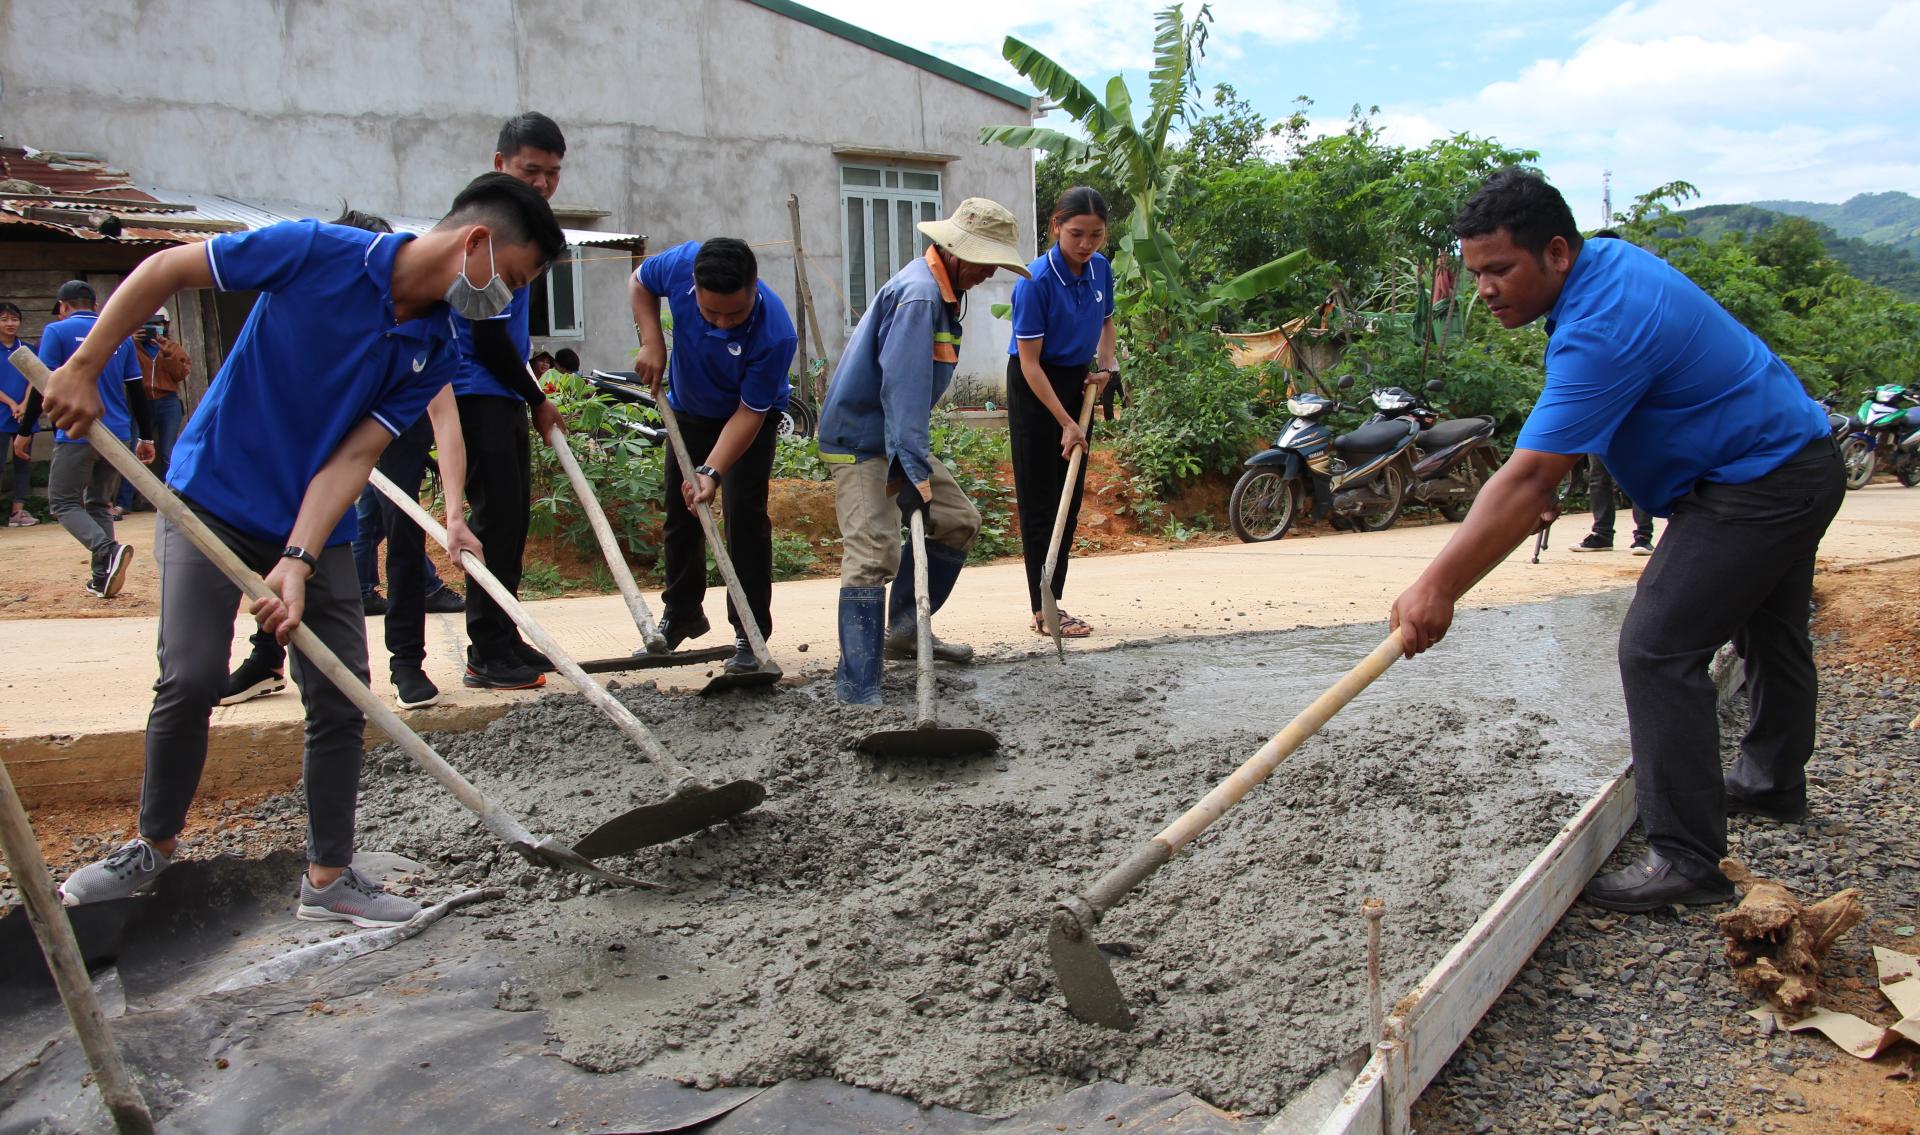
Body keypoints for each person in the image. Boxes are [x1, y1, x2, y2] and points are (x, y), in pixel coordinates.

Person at [45, 172, 563, 925]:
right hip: (211, 497)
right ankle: (151, 846)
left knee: (342, 688)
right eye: (511, 280)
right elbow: (165, 269)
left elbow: (352, 460)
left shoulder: (439, 349)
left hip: (313, 523)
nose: (506, 301)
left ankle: (327, 875)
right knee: (190, 675)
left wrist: (298, 556)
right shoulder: (315, 251)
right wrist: (86, 365)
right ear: (475, 243)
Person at [1388, 170, 1841, 914]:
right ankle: (1771, 781)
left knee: (1658, 648)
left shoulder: (1601, 322)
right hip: (1796, 458)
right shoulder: (1610, 266)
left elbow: (1529, 480)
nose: (1486, 290)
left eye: (1500, 270)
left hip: (1758, 483)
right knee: (1771, 629)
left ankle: (1689, 860)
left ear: (1557, 252)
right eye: (1475, 274)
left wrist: (1438, 586)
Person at [223, 207, 469, 712]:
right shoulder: (316, 314)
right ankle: (266, 656)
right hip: (315, 451)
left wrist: (455, 514)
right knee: (286, 542)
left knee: (401, 541)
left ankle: (406, 662)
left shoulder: (419, 335)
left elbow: (445, 422)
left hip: (392, 445)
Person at [817, 197, 1031, 704]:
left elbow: (907, 403)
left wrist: (911, 465)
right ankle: (857, 687)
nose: (987, 273)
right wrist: (911, 472)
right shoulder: (919, 297)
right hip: (862, 439)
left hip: (894, 432)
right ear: (954, 250)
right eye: (982, 261)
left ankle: (906, 633)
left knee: (956, 519)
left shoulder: (945, 291)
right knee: (874, 554)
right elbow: (902, 392)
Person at [630, 237, 798, 672]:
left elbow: (749, 413)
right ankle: (683, 613)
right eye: (711, 313)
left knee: (743, 518)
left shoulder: (776, 332)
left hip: (747, 419)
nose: (723, 324)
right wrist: (652, 341)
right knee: (679, 511)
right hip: (689, 409)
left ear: (755, 287)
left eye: (734, 314)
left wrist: (712, 470)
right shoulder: (680, 264)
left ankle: (750, 632)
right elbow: (639, 282)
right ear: (693, 290)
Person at [452, 111, 570, 691]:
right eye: (531, 170)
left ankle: (503, 633)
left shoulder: (526, 231)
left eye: (552, 173)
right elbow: (484, 334)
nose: (543, 183)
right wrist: (536, 396)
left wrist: (526, 394)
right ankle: (487, 651)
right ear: (500, 165)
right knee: (494, 521)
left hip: (501, 390)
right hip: (476, 392)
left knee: (512, 519)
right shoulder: (490, 235)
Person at [1006, 186, 1118, 640]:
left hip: (1077, 383)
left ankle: (1055, 598)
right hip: (1036, 390)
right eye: (1076, 234)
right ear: (1055, 227)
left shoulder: (1101, 270)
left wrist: (1107, 367)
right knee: (1042, 501)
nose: (1086, 244)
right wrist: (1066, 421)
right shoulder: (1034, 281)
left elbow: (1107, 321)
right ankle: (1042, 609)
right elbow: (1030, 364)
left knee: (1068, 502)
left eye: (1095, 235)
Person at [14, 281, 153, 597]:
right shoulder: (119, 334)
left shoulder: (57, 331)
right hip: (117, 433)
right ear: (95, 306)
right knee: (98, 503)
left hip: (78, 431)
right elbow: (136, 390)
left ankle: (106, 549)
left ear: (63, 306)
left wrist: (25, 432)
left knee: (63, 502)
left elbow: (42, 384)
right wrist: (146, 436)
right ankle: (103, 576)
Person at [113, 306, 192, 514]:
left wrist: (167, 353)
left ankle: (168, 500)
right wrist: (130, 339)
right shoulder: (131, 346)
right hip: (140, 402)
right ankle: (124, 502)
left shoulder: (173, 348)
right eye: (146, 323)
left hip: (168, 401)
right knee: (131, 452)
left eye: (157, 324)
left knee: (169, 451)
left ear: (165, 326)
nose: (151, 328)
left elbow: (180, 374)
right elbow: (119, 368)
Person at [0, 302, 39, 526]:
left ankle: (18, 512)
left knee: (22, 461)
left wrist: (25, 404)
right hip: (3, 412)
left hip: (24, 414)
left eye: (14, 319)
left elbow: (34, 378)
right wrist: (11, 402)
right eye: (5, 319)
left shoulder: (26, 349)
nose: (10, 324)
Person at [1572, 455, 1654, 555]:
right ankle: (1602, 535)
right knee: (1598, 476)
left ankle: (1643, 536)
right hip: (1599, 439)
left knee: (1639, 473)